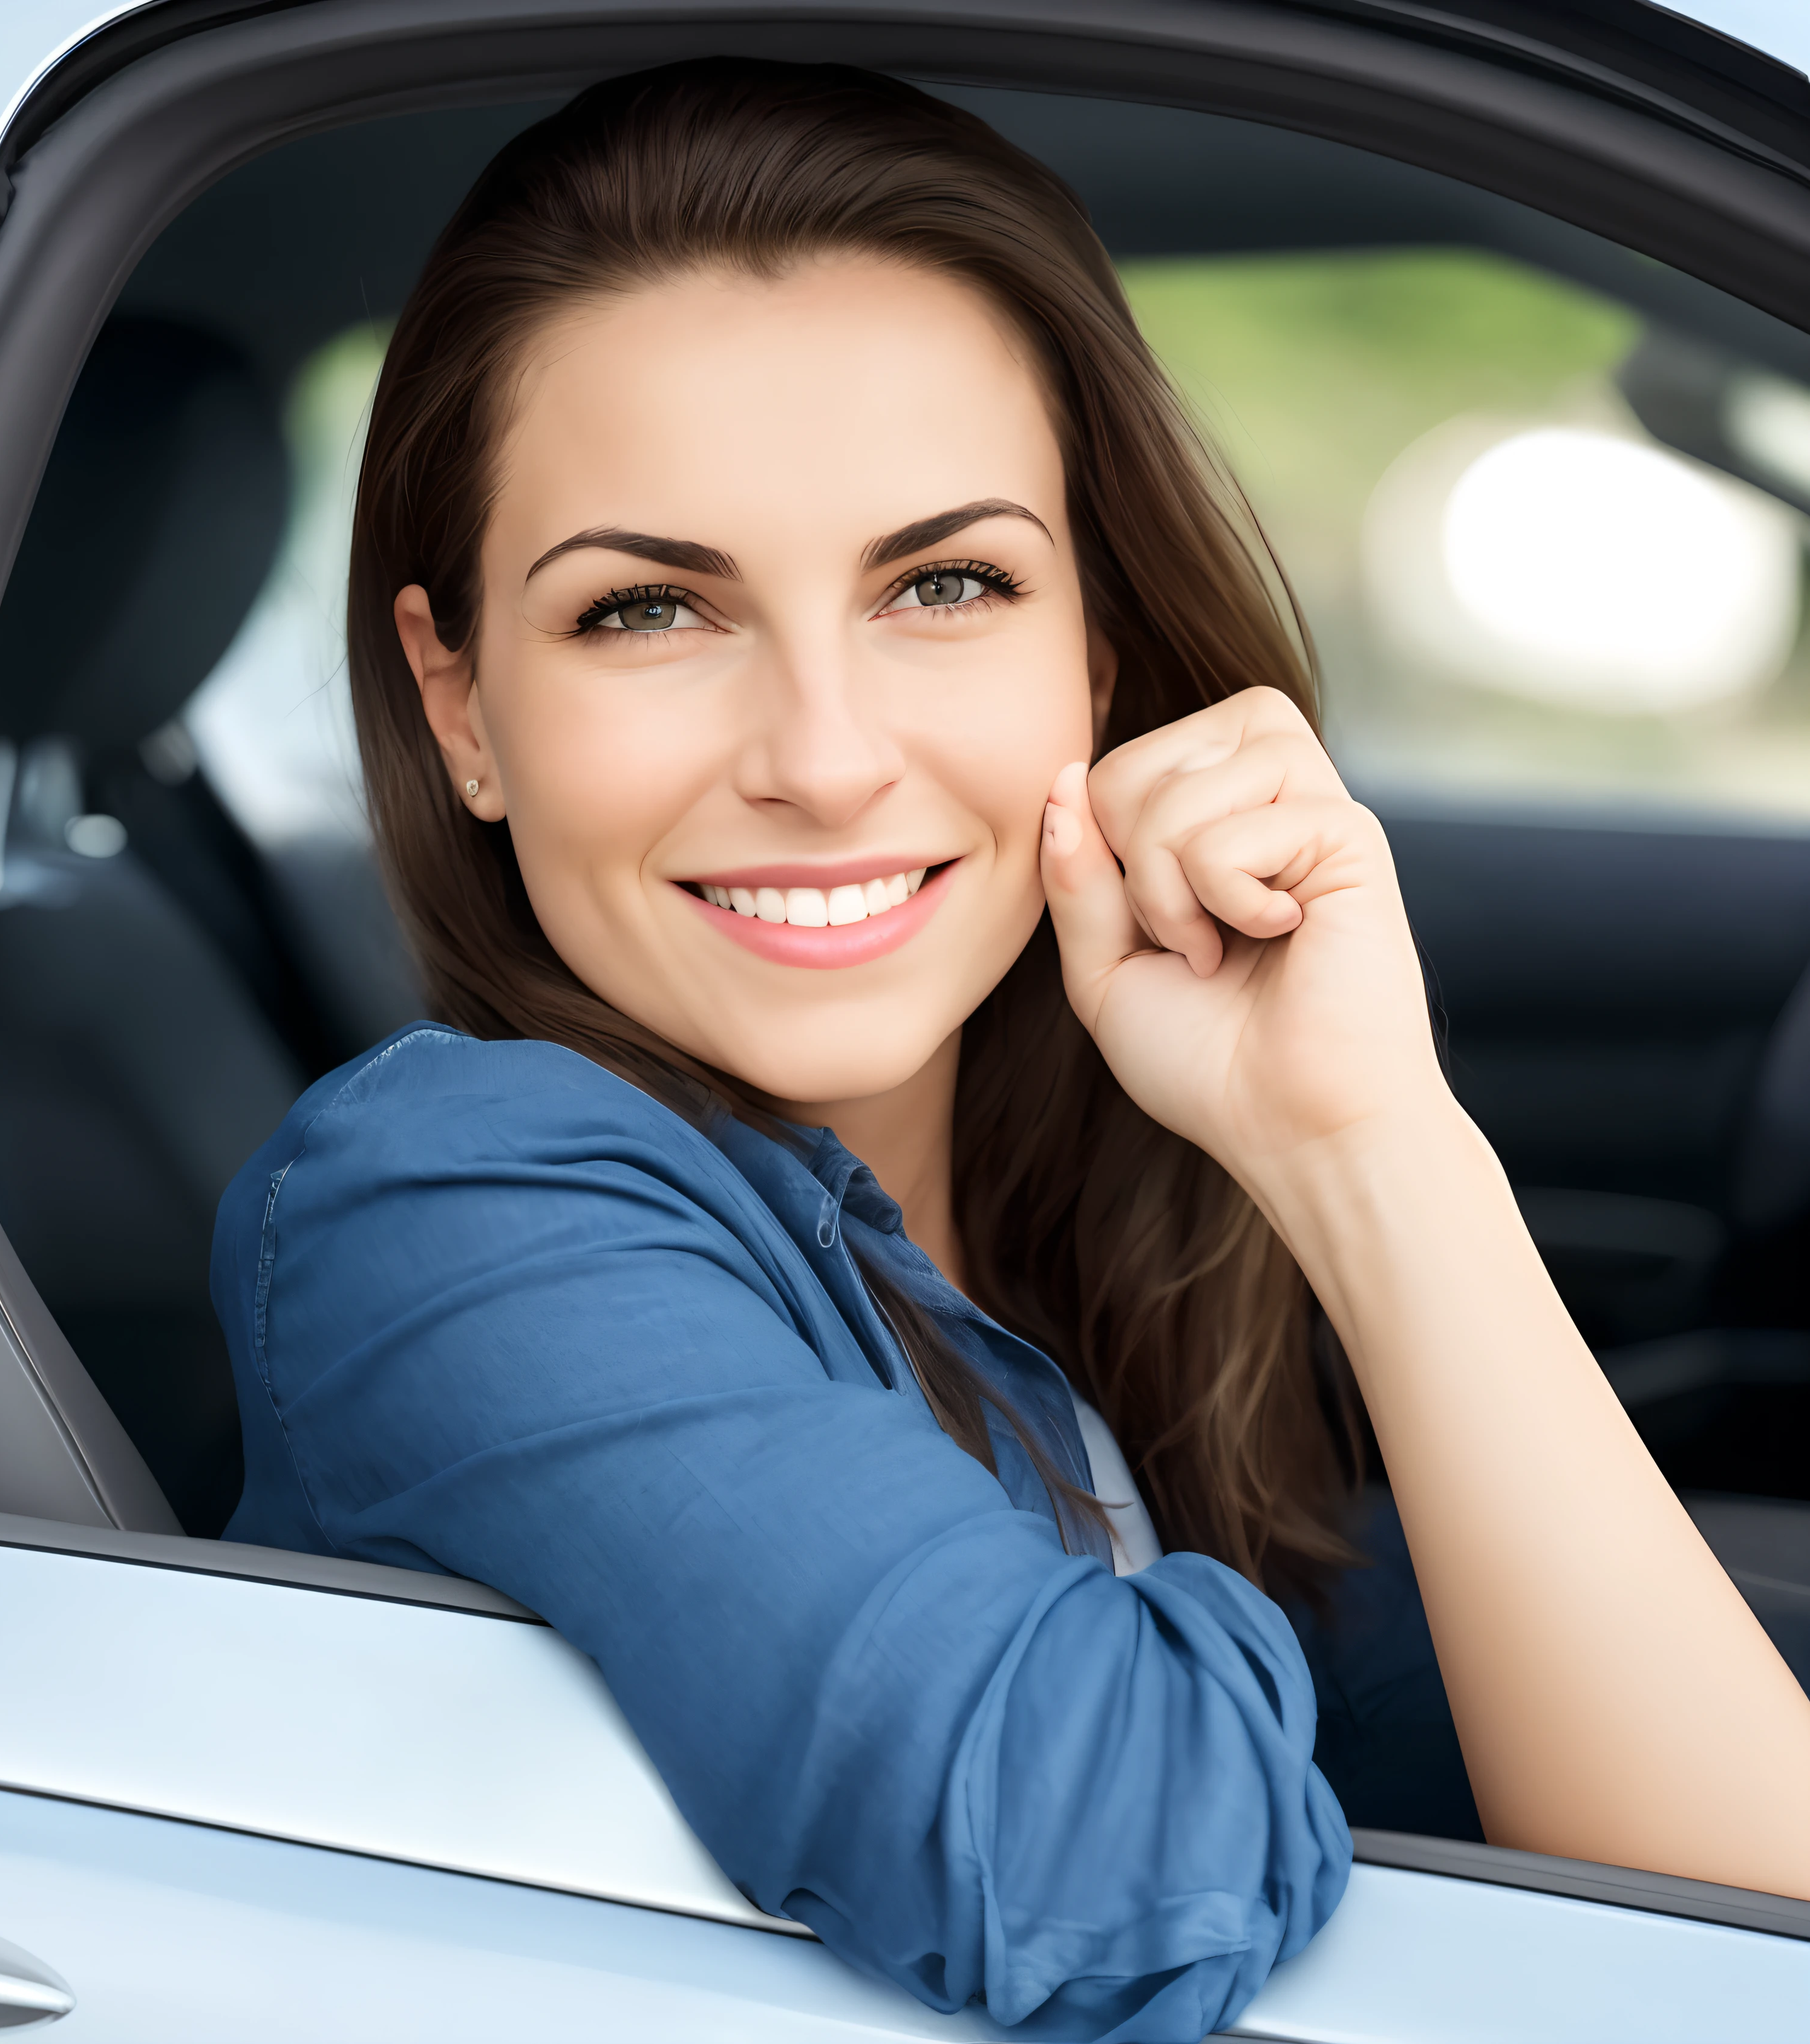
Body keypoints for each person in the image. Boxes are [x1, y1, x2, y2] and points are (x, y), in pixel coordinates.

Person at [215, 58, 1810, 2040]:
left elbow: (1740, 1926)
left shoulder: (1076, 1285)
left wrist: (1373, 1147)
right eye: (647, 611)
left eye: (945, 584)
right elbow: (1116, 1871)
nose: (822, 755)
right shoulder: (451, 1199)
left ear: (1100, 661)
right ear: (460, 702)